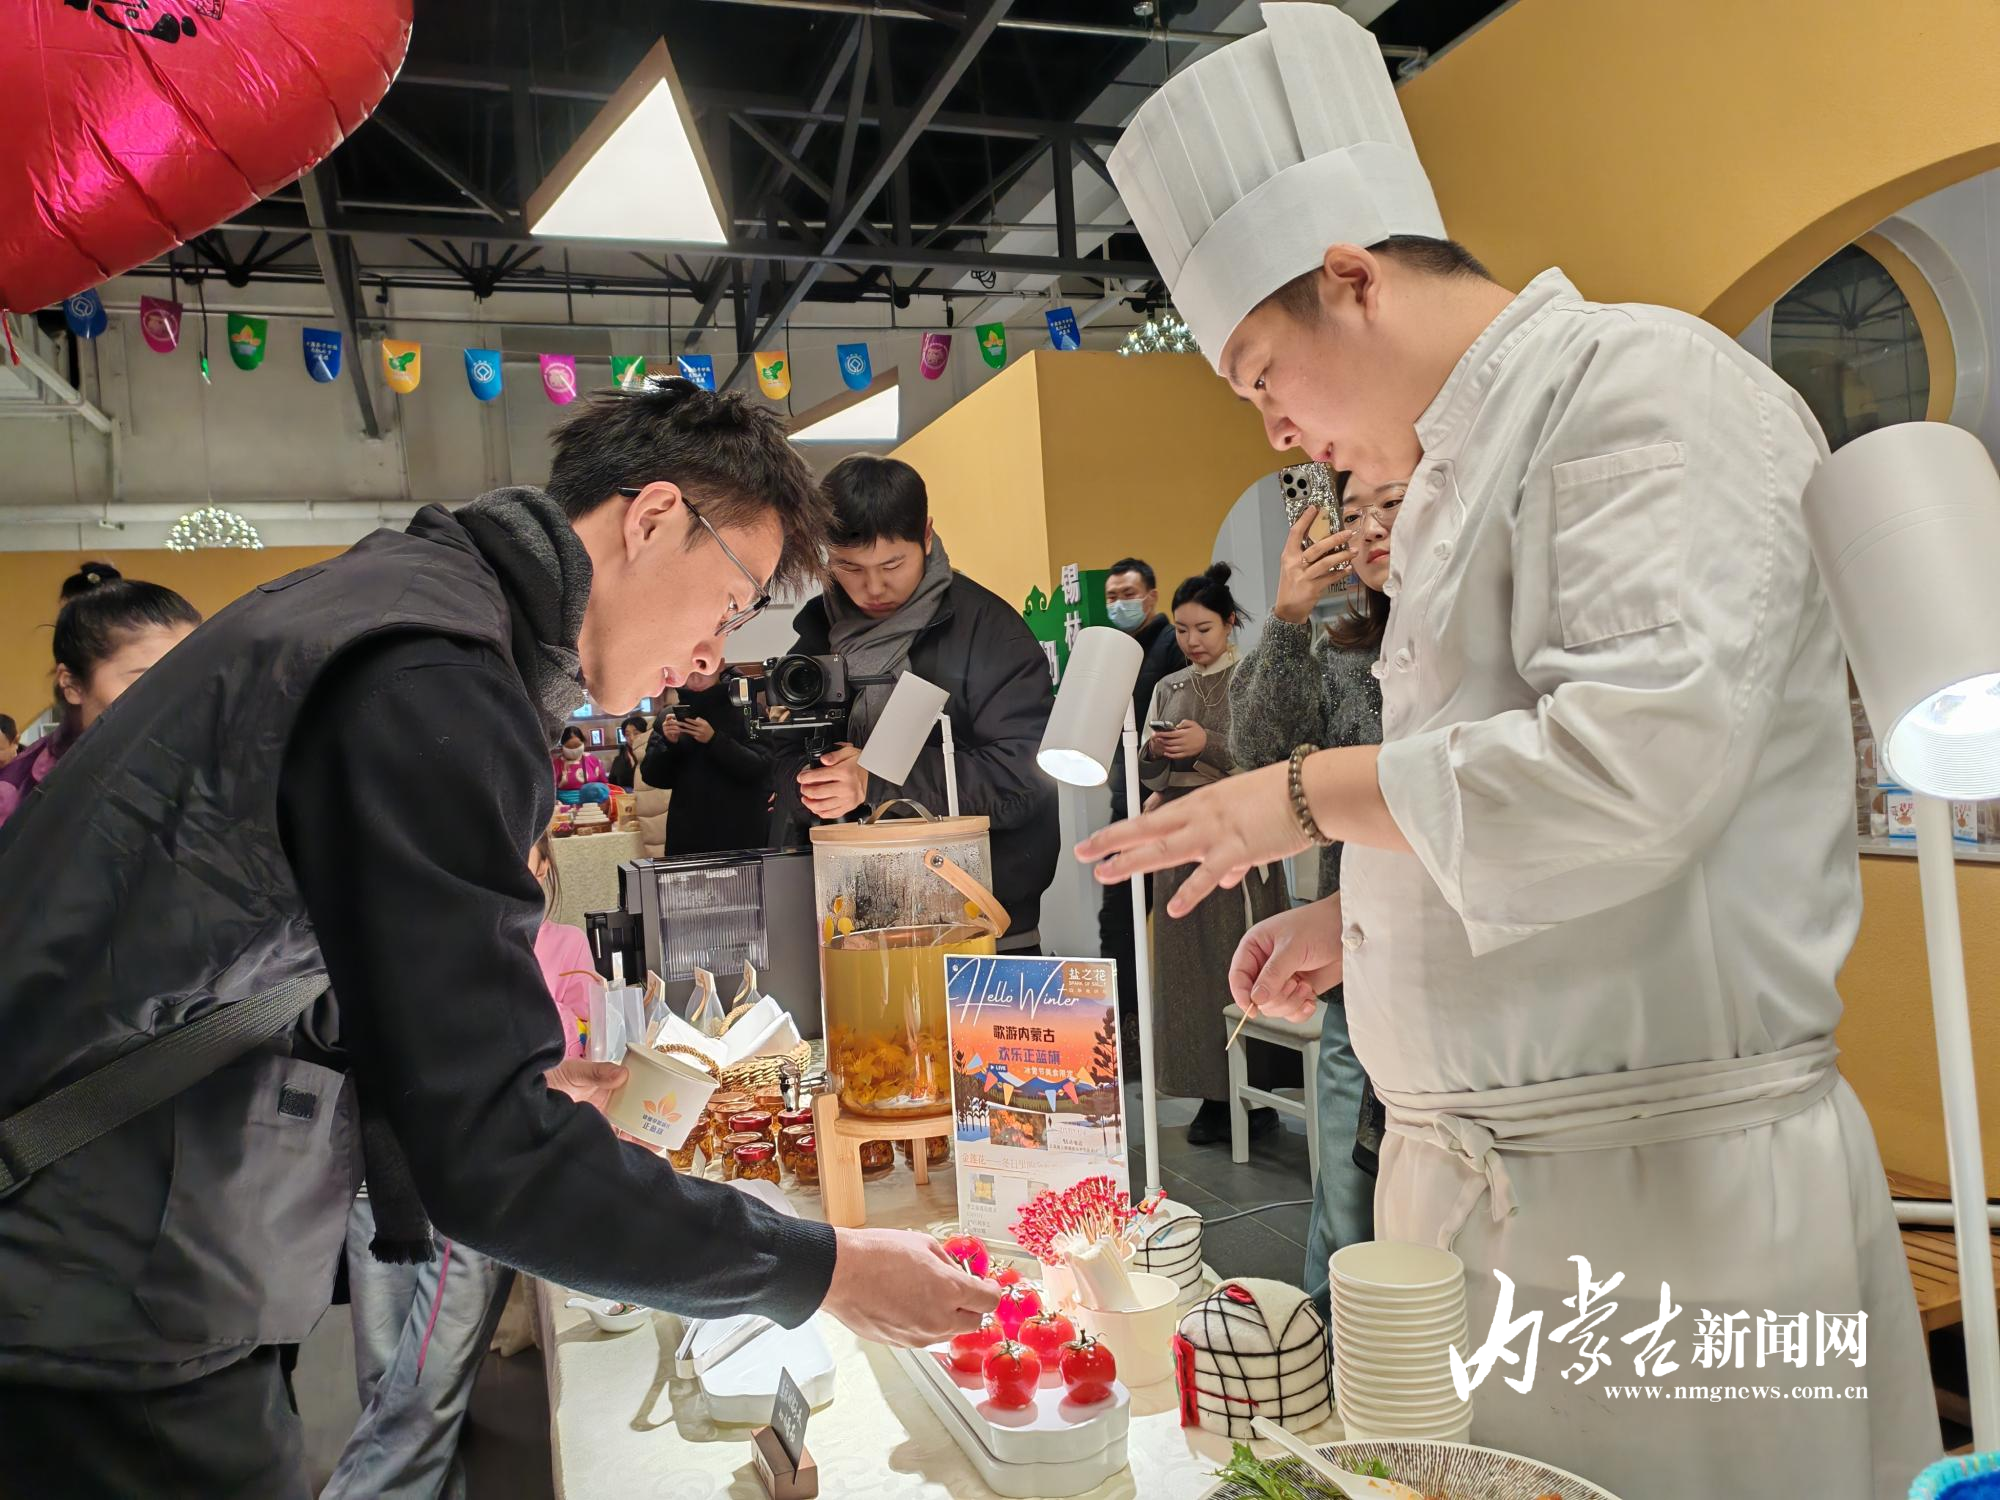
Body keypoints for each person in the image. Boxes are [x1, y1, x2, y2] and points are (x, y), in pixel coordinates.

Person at [1094, 9, 1934, 1496]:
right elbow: (1502, 804)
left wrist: (1297, 797)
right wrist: (1361, 921)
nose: (1275, 426)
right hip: (1496, 1204)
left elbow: (1626, 773)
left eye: (1262, 373)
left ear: (1353, 279)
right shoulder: (1449, 478)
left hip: (1669, 1213)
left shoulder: (1640, 389)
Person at [0, 379, 996, 1500]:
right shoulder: (437, 671)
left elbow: (261, 958)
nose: (709, 652)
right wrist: (825, 1271)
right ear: (652, 517)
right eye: (727, 604)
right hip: (92, 1262)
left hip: (121, 1238)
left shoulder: (406, 606)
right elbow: (491, 1160)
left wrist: (484, 1071)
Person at [322, 830, 594, 1500]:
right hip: (380, 1175)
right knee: (386, 1382)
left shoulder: (555, 946)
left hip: (467, 1188)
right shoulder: (416, 923)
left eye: (522, 846)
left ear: (544, 863)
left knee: (426, 1392)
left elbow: (569, 1047)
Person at [1228, 467, 1396, 1316]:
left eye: (1391, 505)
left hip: (1461, 986)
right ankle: (1327, 1364)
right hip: (1352, 978)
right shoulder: (1344, 646)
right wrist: (1290, 621)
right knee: (1346, 1213)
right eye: (1353, 513)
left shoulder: (1478, 645)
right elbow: (1260, 758)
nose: (1370, 530)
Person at [769, 454, 1057, 948]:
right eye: (849, 567)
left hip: (978, 922)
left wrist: (876, 781)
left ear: (926, 535)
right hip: (850, 925)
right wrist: (812, 785)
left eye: (892, 564)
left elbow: (1024, 777)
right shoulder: (817, 633)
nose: (873, 587)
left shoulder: (990, 632)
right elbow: (778, 760)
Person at [1138, 564, 1288, 1144]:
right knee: (1185, 972)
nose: (1191, 641)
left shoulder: (1254, 678)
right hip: (1181, 841)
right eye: (1181, 630)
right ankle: (1208, 1093)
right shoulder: (1168, 687)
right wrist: (1155, 754)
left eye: (1203, 629)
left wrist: (1210, 745)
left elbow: (1273, 760)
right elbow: (1150, 776)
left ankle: (1256, 1092)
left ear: (1229, 623)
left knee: (1238, 960)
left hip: (1240, 836)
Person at [0, 566, 201, 829]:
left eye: (193, 676)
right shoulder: (16, 797)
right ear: (72, 685)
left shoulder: (218, 773)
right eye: (148, 680)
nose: (178, 698)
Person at [1100, 558, 1187, 1052]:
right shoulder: (1116, 651)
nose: (1119, 604)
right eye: (1112, 597)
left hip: (1166, 804)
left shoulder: (1171, 645)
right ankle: (1124, 1035)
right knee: (1119, 920)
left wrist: (1162, 790)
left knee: (1175, 921)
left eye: (1128, 594)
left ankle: (1176, 1039)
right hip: (1125, 802)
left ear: (1151, 597)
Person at [641, 669, 775, 856]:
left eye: (702, 668)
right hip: (687, 834)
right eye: (688, 671)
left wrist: (714, 740)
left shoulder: (747, 711)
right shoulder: (669, 717)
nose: (695, 677)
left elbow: (761, 768)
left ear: (718, 665)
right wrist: (669, 743)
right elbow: (652, 777)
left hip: (741, 832)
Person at [552, 725, 612, 803]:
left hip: (593, 805)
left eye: (577, 745)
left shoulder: (593, 760)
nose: (574, 749)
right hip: (564, 805)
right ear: (562, 746)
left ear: (583, 743)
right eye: (569, 746)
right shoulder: (556, 764)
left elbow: (604, 784)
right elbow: (551, 790)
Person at [605, 712, 649, 791]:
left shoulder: (653, 754)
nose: (631, 738)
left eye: (636, 733)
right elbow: (613, 785)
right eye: (627, 735)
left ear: (646, 733)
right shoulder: (619, 759)